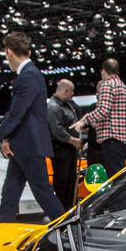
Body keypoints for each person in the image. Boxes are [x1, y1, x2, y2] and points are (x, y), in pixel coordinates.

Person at [0, 31, 65, 222]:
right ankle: (2, 231)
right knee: (9, 195)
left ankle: (66, 229)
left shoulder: (28, 76)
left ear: (9, 52)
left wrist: (1, 134)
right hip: (22, 145)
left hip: (29, 146)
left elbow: (16, 113)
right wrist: (7, 139)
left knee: (43, 193)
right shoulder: (30, 74)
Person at [71, 58, 126, 177]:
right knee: (119, 175)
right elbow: (113, 114)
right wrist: (92, 124)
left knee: (115, 177)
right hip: (123, 139)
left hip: (112, 138)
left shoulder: (107, 85)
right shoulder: (123, 87)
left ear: (103, 71)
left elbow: (103, 110)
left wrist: (84, 120)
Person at [46, 78, 82, 209]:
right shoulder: (53, 107)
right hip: (61, 150)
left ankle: (69, 209)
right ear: (66, 91)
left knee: (70, 181)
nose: (73, 94)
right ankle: (61, 211)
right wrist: (72, 140)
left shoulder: (65, 105)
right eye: (72, 91)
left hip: (69, 149)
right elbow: (56, 130)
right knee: (62, 182)